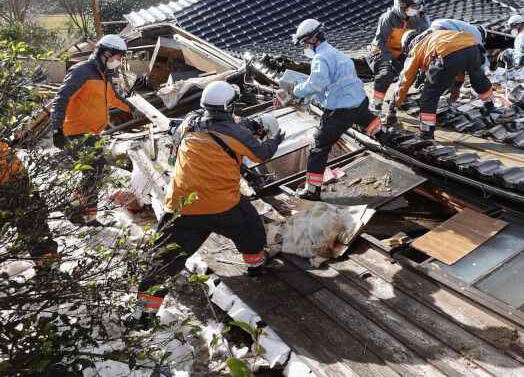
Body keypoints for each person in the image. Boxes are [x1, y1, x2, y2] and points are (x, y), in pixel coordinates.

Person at [136, 81, 285, 317]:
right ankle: (256, 266)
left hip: (181, 206)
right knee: (251, 227)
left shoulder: (190, 121)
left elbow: (193, 132)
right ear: (229, 107)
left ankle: (142, 313)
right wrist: (275, 140)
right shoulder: (237, 133)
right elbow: (262, 153)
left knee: (163, 259)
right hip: (221, 205)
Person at [286, 19, 390, 201]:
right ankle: (382, 134)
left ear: (313, 39)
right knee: (365, 117)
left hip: (340, 111)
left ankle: (312, 190)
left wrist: (295, 90)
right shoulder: (335, 52)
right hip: (359, 101)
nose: (304, 47)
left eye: (304, 43)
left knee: (318, 148)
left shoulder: (320, 58)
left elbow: (316, 84)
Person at [50, 35, 143, 221]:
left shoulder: (105, 75)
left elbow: (114, 97)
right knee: (97, 171)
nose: (118, 62)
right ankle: (77, 209)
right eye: (117, 58)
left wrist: (133, 109)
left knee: (93, 173)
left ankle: (82, 212)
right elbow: (61, 97)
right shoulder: (82, 71)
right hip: (77, 132)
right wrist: (56, 128)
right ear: (106, 53)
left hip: (92, 133)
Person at [386, 29, 494, 140]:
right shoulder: (436, 36)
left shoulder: (416, 50)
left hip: (448, 53)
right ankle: (489, 104)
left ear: (407, 45)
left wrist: (392, 109)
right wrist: (457, 85)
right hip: (472, 47)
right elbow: (459, 58)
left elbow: (404, 81)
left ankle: (426, 132)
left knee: (429, 95)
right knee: (478, 79)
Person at [369, 0, 430, 113]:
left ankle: (397, 99)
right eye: (413, 6)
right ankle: (376, 104)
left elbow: (428, 33)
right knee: (386, 73)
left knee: (411, 70)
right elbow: (380, 41)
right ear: (403, 5)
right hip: (380, 52)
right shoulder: (388, 17)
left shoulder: (417, 20)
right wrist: (391, 60)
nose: (416, 9)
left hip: (400, 52)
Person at [1, 141, 58, 270]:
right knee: (34, 225)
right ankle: (49, 270)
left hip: (14, 175)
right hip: (13, 176)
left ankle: (49, 268)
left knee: (34, 225)